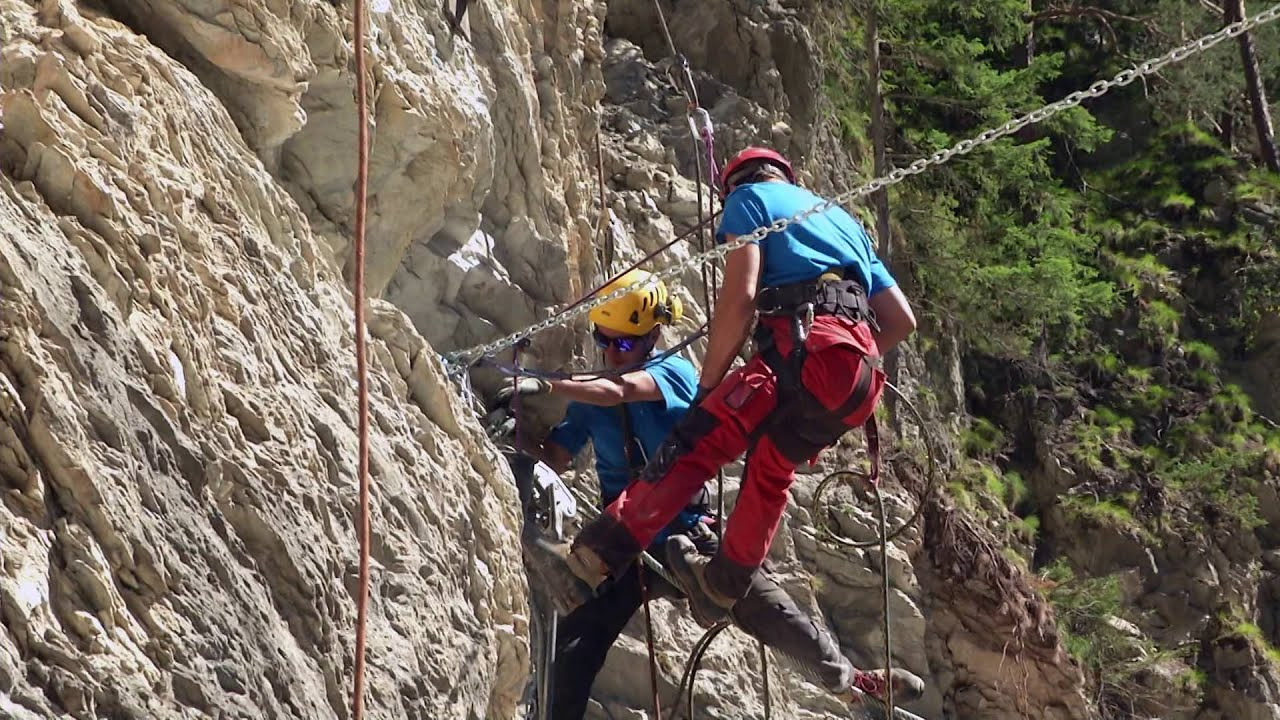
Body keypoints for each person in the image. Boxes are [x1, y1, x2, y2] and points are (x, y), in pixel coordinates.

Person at [563, 148, 922, 708]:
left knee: (696, 443)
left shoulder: (748, 202)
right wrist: (835, 375)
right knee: (771, 473)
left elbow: (741, 298)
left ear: (734, 184)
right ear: (788, 175)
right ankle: (729, 585)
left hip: (804, 350)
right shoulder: (844, 221)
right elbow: (900, 321)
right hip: (859, 376)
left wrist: (710, 388)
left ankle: (596, 550)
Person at [503, 268, 920, 716]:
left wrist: (548, 382)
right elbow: (559, 455)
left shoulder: (674, 372)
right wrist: (516, 436)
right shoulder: (589, 400)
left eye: (622, 343)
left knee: (770, 610)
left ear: (652, 335)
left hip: (688, 538)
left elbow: (621, 390)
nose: (611, 352)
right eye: (603, 340)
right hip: (624, 548)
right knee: (577, 644)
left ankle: (852, 681)